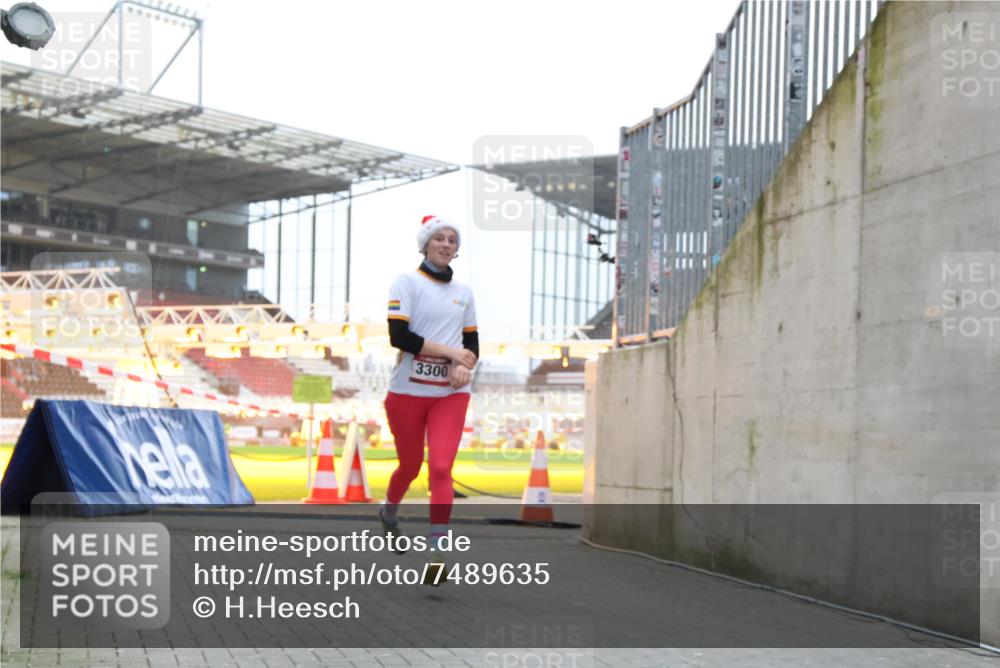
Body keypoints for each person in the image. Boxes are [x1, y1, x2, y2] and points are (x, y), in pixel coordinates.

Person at [378, 215, 478, 584]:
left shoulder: (464, 292)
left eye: (453, 239)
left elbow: (472, 345)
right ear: (425, 244)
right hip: (407, 391)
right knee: (409, 466)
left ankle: (437, 553)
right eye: (439, 238)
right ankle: (389, 513)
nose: (446, 244)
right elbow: (399, 337)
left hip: (449, 394)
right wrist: (451, 355)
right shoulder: (406, 282)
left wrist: (465, 366)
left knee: (440, 468)